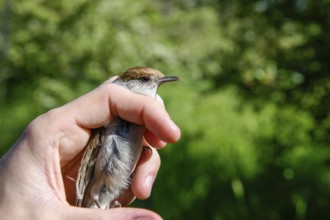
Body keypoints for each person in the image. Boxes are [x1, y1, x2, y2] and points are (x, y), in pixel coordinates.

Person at [0, 78, 181, 219]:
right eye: (144, 79)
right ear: (127, 84)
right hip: (94, 193)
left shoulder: (132, 115)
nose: (152, 84)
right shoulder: (110, 116)